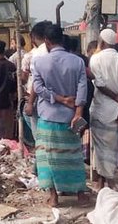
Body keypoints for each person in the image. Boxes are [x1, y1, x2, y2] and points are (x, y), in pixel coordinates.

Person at [32, 24, 89, 207]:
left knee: (47, 158)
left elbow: (38, 88)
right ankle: (80, 195)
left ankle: (54, 196)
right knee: (73, 157)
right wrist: (77, 111)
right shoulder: (77, 62)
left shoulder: (40, 62)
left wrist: (57, 98)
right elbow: (82, 88)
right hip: (70, 118)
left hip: (48, 117)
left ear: (47, 41)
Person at [89, 30, 118, 190]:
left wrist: (115, 97)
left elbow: (99, 84)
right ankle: (105, 180)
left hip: (101, 110)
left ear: (101, 42)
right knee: (113, 148)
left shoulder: (95, 59)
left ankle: (107, 180)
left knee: (101, 149)